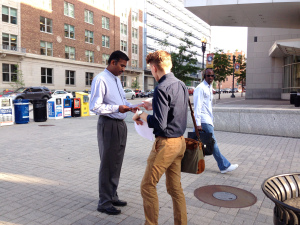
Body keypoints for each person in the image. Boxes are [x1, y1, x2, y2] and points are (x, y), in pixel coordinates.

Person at [132, 50, 189, 225]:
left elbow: (159, 124)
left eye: (151, 69)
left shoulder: (161, 88)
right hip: (180, 142)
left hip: (165, 145)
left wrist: (140, 114)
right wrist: (153, 105)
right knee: (175, 189)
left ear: (155, 68)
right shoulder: (181, 85)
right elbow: (174, 110)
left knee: (147, 186)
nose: (152, 73)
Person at [90, 50, 139, 215]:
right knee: (108, 164)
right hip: (109, 125)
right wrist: (117, 108)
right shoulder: (101, 79)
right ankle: (104, 202)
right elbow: (94, 106)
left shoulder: (117, 80)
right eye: (122, 65)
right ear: (113, 62)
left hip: (119, 124)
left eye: (125, 66)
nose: (123, 69)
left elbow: (121, 101)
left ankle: (112, 195)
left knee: (116, 162)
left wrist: (132, 108)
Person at [193, 68, 238, 174]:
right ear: (204, 76)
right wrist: (198, 123)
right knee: (213, 144)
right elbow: (197, 107)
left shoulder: (209, 87)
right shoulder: (200, 88)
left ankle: (195, 164)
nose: (210, 78)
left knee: (205, 144)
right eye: (208, 76)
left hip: (208, 119)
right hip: (204, 120)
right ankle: (223, 166)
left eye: (212, 76)